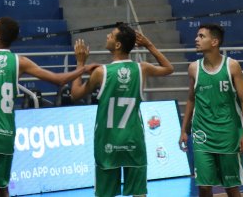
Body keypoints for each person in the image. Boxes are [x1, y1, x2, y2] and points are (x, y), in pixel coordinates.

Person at [0, 16, 98, 197]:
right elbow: (59, 80)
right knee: (2, 187)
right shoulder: (20, 61)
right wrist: (82, 67)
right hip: (6, 133)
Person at [71, 24, 174, 197]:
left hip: (107, 142)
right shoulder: (142, 68)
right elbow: (169, 68)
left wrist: (80, 63)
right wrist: (149, 45)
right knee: (139, 194)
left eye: (111, 35)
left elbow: (75, 94)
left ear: (118, 45)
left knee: (106, 194)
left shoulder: (101, 72)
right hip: (133, 141)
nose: (107, 37)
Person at [179, 24, 243, 197]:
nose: (196, 39)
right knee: (203, 186)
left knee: (231, 187)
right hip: (202, 134)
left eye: (201, 36)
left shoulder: (232, 66)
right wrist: (184, 129)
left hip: (228, 134)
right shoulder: (193, 68)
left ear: (214, 41)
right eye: (197, 36)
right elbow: (191, 99)